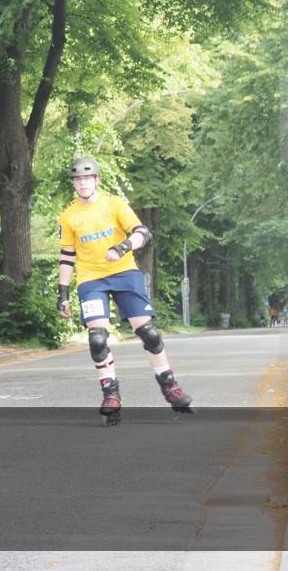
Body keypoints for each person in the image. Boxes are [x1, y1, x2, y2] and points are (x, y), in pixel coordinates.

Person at [57, 156, 192, 424]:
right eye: (78, 179)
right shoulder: (68, 215)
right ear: (73, 183)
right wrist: (62, 293)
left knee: (149, 333)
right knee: (97, 338)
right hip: (91, 279)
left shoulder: (114, 204)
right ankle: (111, 394)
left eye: (87, 178)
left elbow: (142, 232)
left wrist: (122, 247)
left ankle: (170, 386)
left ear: (96, 179)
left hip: (124, 272)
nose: (82, 183)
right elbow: (67, 256)